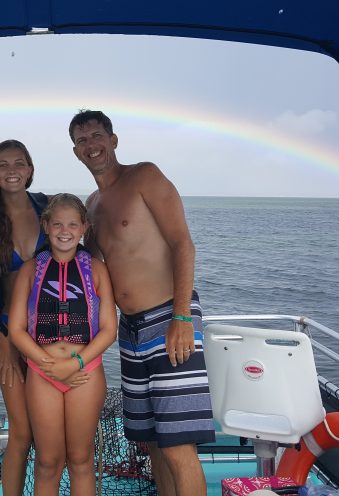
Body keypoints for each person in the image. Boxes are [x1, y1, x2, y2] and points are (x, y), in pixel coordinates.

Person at [68, 110, 214, 496]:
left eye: (97, 136)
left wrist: (182, 316)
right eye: (82, 141)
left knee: (179, 445)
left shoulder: (144, 176)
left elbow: (183, 243)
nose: (91, 146)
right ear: (75, 151)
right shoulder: (92, 204)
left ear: (113, 140)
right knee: (153, 443)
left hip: (169, 316)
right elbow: (90, 269)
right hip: (129, 331)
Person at [7, 194, 117, 496]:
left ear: (84, 228)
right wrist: (49, 365)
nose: (64, 231)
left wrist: (75, 364)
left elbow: (109, 330)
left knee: (81, 459)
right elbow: (16, 330)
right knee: (47, 461)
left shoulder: (96, 269)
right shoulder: (30, 270)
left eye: (72, 224)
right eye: (57, 224)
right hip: (43, 373)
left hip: (86, 371)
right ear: (46, 226)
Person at [0, 140, 49, 496]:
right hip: (7, 333)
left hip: (53, 333)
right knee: (22, 431)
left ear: (30, 169)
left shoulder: (48, 208)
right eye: (3, 164)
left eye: (20, 163)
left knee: (49, 432)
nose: (12, 170)